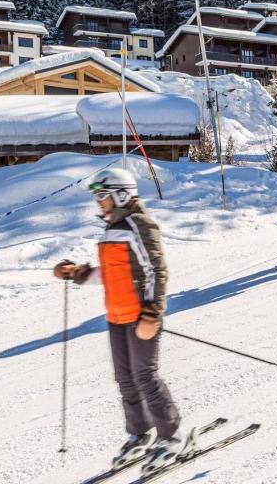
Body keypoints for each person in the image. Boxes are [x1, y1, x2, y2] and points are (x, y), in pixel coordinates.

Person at [52, 167, 183, 474]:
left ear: (121, 194)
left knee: (146, 377)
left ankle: (171, 436)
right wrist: (77, 274)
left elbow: (156, 270)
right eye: (97, 196)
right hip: (116, 315)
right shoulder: (112, 229)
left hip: (140, 316)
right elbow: (111, 274)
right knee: (125, 379)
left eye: (103, 194)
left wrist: (153, 313)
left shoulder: (139, 224)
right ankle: (139, 433)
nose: (99, 201)